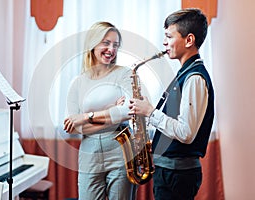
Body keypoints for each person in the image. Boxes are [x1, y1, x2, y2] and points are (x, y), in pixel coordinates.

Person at [128, 8, 214, 200]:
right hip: (170, 171)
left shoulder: (194, 78)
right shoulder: (185, 73)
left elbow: (186, 133)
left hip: (178, 175)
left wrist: (150, 112)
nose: (164, 42)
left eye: (169, 36)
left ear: (189, 40)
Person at [63, 22, 136, 200]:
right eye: (106, 42)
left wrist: (86, 117)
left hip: (121, 149)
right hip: (89, 152)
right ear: (93, 43)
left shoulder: (125, 74)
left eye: (116, 45)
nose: (111, 49)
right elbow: (72, 126)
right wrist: (113, 112)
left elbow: (130, 110)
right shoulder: (78, 82)